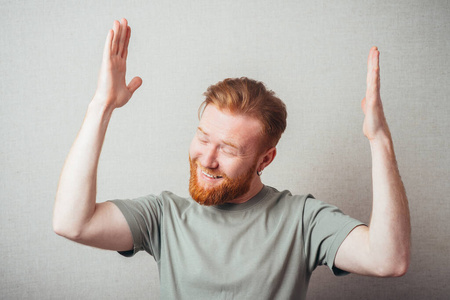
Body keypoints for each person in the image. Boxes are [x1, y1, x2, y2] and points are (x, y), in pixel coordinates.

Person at [53, 18, 411, 299]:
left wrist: (380, 140)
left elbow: (388, 260)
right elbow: (73, 223)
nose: (206, 159)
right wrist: (101, 106)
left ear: (264, 159)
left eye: (228, 149)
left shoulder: (302, 220)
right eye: (203, 137)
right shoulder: (164, 217)